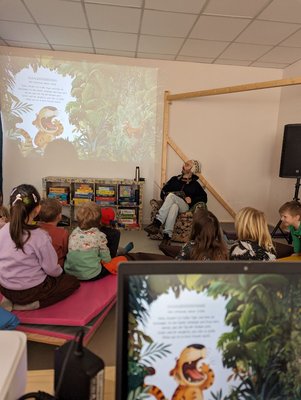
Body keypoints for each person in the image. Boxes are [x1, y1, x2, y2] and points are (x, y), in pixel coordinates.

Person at [0, 184, 79, 310]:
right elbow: (51, 269)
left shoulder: (3, 230)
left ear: (11, 206)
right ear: (37, 210)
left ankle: (9, 300)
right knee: (72, 282)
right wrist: (60, 273)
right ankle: (31, 305)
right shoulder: (40, 236)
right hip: (30, 292)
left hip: (5, 288)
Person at [144, 160, 207, 245]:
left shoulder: (195, 184)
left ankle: (157, 222)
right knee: (174, 206)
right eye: (184, 164)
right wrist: (165, 196)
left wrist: (192, 199)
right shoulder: (174, 179)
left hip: (185, 207)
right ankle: (167, 237)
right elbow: (163, 191)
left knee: (171, 196)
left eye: (187, 165)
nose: (183, 166)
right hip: (175, 205)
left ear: (192, 169)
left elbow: (204, 197)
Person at [64, 202, 127, 280]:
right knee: (121, 260)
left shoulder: (73, 232)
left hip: (70, 272)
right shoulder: (100, 236)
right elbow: (106, 259)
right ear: (99, 221)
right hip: (92, 275)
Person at [38, 198, 69, 267]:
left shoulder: (34, 229)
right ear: (59, 216)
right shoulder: (63, 233)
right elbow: (65, 252)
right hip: (57, 268)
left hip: (38, 267)